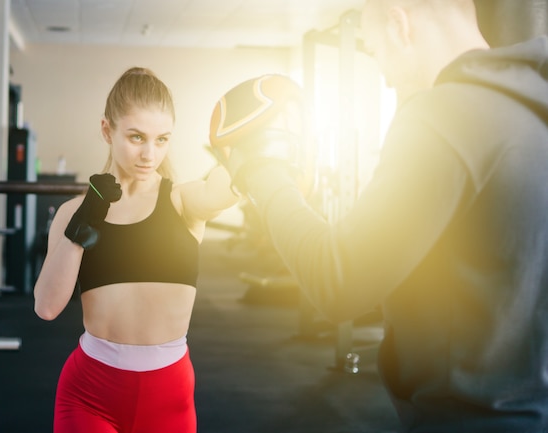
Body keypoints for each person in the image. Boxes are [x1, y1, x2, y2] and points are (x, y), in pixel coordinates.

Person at [208, 0, 548, 431]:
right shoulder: (532, 104)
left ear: (398, 24)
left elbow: (337, 281)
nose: (384, 76)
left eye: (375, 50)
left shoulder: (442, 114)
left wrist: (263, 172)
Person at [33, 66, 238, 433]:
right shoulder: (73, 212)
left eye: (162, 140)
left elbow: (229, 186)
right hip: (89, 395)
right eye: (137, 137)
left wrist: (250, 146)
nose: (149, 154)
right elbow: (47, 307)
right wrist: (84, 221)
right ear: (106, 130)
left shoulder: (182, 201)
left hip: (168, 396)